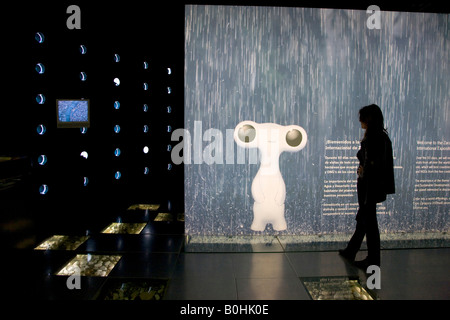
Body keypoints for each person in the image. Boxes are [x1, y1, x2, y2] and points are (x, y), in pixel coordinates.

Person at [339, 104, 395, 269]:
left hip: (369, 187)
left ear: (369, 119)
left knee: (369, 223)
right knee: (365, 220)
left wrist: (365, 169)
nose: (360, 121)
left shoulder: (375, 138)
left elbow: (375, 163)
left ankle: (373, 260)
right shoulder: (378, 136)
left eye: (362, 117)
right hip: (370, 185)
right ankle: (352, 250)